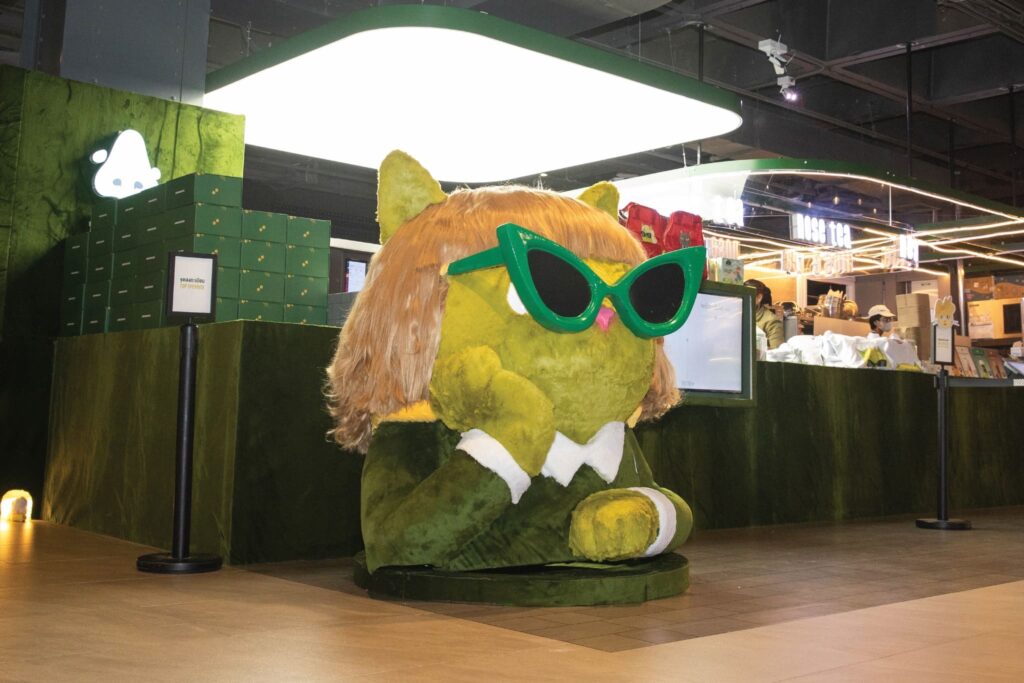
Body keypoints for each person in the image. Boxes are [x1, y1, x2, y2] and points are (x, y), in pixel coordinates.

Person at [745, 279, 784, 349]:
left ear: (759, 298)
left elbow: (777, 351)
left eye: (746, 295)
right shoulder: (738, 314)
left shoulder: (771, 320)